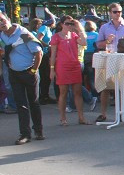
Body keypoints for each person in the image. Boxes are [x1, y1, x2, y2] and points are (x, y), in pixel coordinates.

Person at [0, 12, 44, 144]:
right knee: (21, 104)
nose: (1, 24)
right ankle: (25, 134)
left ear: (8, 19)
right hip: (14, 72)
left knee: (33, 102)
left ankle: (38, 130)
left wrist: (33, 70)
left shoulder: (23, 33)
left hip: (29, 72)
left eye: (2, 20)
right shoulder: (1, 35)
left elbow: (38, 52)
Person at [94, 4, 124, 123]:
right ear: (110, 13)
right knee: (106, 87)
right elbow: (98, 44)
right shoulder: (104, 27)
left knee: (123, 87)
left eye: (119, 12)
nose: (118, 14)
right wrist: (107, 41)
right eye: (115, 12)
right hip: (109, 59)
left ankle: (122, 114)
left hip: (123, 59)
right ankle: (103, 114)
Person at [49, 16, 88, 126]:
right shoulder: (56, 37)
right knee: (63, 92)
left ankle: (81, 117)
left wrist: (79, 29)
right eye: (67, 23)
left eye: (71, 24)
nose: (69, 26)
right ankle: (63, 118)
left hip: (75, 65)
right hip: (62, 66)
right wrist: (52, 69)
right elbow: (53, 54)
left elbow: (84, 43)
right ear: (61, 24)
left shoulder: (75, 35)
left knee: (78, 92)